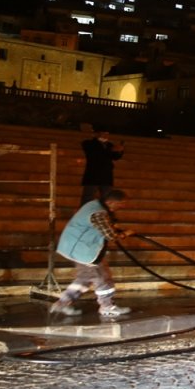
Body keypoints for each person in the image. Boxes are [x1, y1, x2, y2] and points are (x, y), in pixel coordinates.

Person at [50, 189, 134, 317]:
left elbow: (103, 225)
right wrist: (125, 234)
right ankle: (107, 307)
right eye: (120, 203)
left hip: (78, 247)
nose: (122, 206)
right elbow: (110, 236)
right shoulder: (98, 213)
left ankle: (61, 304)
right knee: (102, 277)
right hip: (82, 249)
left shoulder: (95, 205)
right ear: (110, 202)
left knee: (84, 279)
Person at [80, 127, 124, 206]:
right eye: (103, 133)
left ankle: (106, 214)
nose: (106, 136)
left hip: (106, 175)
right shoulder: (88, 143)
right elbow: (96, 154)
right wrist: (111, 150)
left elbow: (115, 157)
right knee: (88, 197)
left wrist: (120, 151)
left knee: (106, 197)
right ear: (96, 134)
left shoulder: (109, 145)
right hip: (93, 174)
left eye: (107, 134)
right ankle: (84, 214)